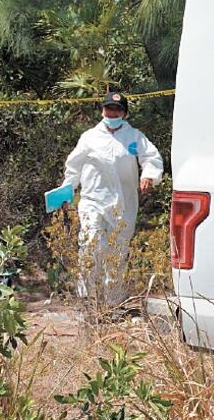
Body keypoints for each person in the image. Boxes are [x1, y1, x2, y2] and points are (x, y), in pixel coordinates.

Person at [62, 91, 164, 307]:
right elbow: (74, 166)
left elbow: (151, 158)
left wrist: (149, 176)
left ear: (124, 113)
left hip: (123, 203)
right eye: (109, 108)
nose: (112, 112)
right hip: (93, 200)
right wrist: (67, 190)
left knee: (117, 251)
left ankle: (113, 303)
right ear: (102, 111)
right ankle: (86, 299)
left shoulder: (134, 137)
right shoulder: (90, 137)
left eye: (117, 109)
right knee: (90, 245)